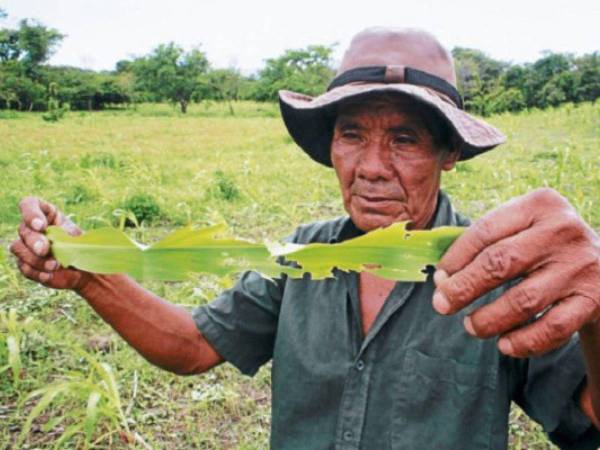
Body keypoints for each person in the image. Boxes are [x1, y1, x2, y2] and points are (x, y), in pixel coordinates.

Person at [10, 27, 600, 450]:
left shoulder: (500, 274)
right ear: (330, 148)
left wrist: (597, 312)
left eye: (404, 139)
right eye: (351, 134)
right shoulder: (298, 258)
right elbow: (192, 346)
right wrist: (88, 275)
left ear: (449, 154)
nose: (370, 166)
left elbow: (590, 420)